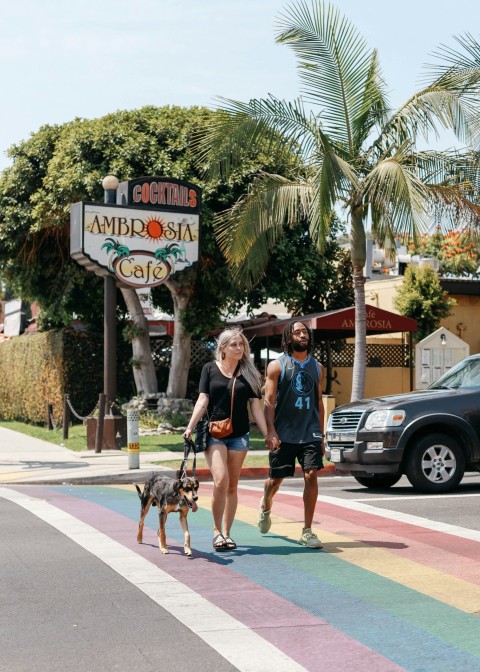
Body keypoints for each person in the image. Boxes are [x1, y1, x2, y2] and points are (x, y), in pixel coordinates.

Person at [184, 328, 268, 552]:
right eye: (234, 345)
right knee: (220, 480)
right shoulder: (209, 369)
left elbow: (255, 407)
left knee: (232, 485)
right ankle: (216, 531)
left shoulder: (250, 373)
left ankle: (228, 533)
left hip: (239, 435)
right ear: (222, 348)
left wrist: (268, 433)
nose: (239, 348)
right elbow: (203, 399)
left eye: (241, 344)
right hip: (214, 433)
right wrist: (190, 426)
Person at [258, 320, 324, 548]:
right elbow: (268, 401)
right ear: (289, 338)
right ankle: (266, 503)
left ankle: (307, 530)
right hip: (284, 433)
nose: (302, 335)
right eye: (297, 332)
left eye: (305, 331)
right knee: (275, 480)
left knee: (311, 475)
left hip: (310, 432)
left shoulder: (317, 367)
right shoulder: (277, 365)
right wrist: (271, 431)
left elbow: (319, 403)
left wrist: (321, 435)